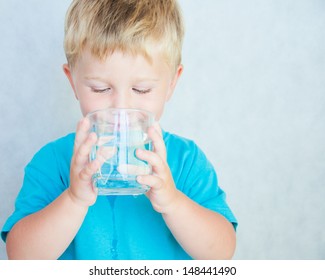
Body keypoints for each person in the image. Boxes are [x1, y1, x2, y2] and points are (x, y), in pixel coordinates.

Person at [1, 0, 237, 260]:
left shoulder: (186, 160)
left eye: (142, 90)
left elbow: (222, 253)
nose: (121, 109)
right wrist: (73, 199)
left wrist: (172, 202)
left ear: (172, 83)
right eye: (100, 89)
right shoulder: (52, 162)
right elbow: (21, 259)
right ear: (73, 81)